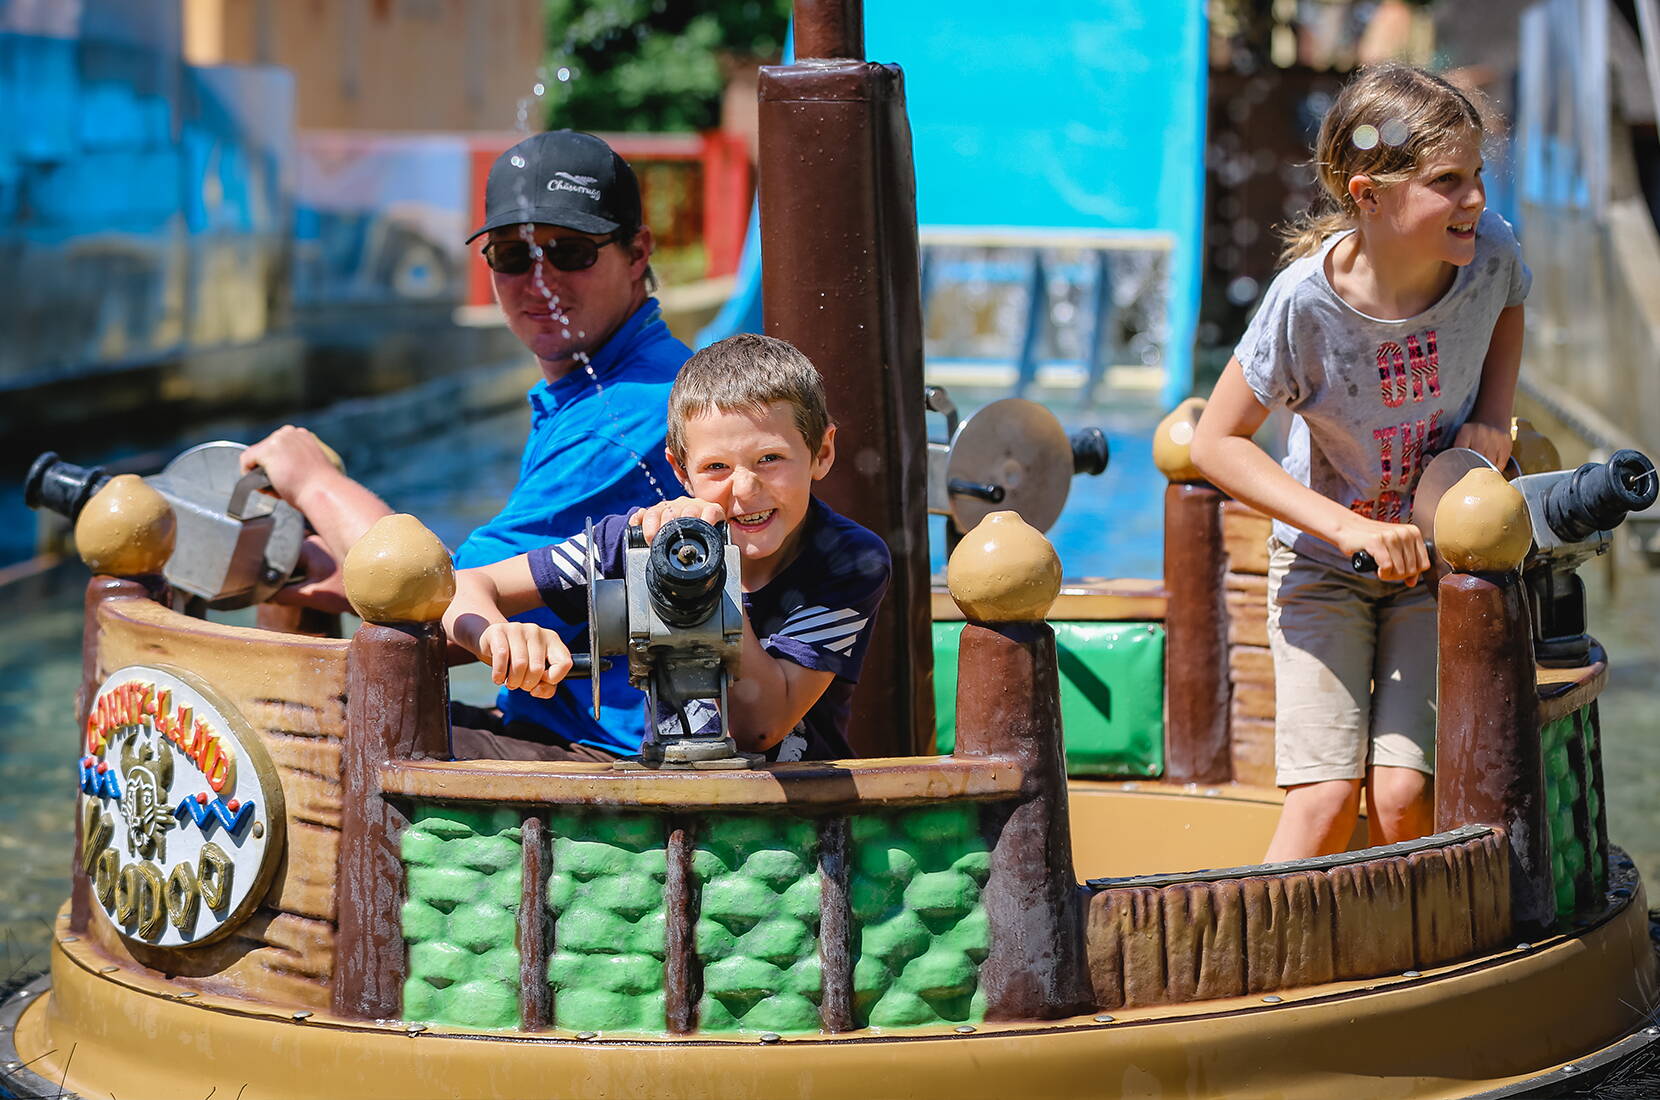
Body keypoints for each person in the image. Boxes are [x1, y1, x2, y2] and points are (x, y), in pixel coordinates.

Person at [241, 130, 690, 758]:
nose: (539, 281)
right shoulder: (614, 386)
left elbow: (440, 593)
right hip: (569, 725)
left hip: (614, 758)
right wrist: (339, 573)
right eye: (512, 256)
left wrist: (315, 482)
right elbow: (492, 593)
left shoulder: (625, 416)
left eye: (569, 252)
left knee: (291, 737)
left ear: (637, 252)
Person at [1189, 65, 1529, 860]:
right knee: (1326, 802)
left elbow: (1510, 300)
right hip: (1323, 568)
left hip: (1435, 563)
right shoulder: (1305, 303)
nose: (1476, 199)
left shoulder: (1489, 254)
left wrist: (1491, 415)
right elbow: (1215, 441)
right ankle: (1251, 965)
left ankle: (1421, 963)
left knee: (1406, 799)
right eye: (1448, 181)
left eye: (1477, 175)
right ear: (1368, 195)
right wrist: (1349, 530)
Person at [442, 333, 891, 762]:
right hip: (663, 778)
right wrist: (497, 636)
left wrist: (706, 574)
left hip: (784, 803)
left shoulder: (848, 561)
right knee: (418, 728)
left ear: (823, 453)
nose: (745, 488)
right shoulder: (636, 540)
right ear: (680, 471)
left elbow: (759, 726)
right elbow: (466, 585)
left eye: (769, 459)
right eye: (716, 467)